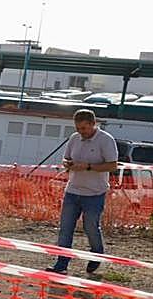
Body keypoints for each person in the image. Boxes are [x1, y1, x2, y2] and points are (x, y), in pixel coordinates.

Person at [46, 109, 117, 278]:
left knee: (90, 227)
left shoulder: (106, 140)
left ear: (93, 124)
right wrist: (68, 164)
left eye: (84, 128)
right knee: (65, 229)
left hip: (95, 193)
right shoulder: (74, 138)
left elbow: (112, 165)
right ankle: (61, 263)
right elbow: (65, 159)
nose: (81, 132)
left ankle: (97, 253)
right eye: (78, 128)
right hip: (72, 190)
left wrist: (88, 167)